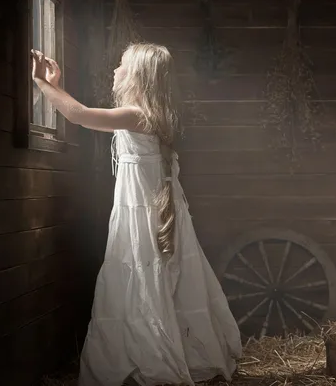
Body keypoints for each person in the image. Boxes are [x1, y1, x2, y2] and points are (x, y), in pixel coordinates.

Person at [30, 44, 242, 386]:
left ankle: (151, 356)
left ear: (139, 76)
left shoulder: (136, 114)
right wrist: (54, 84)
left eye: (121, 65)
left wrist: (42, 82)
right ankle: (152, 352)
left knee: (142, 275)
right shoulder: (153, 114)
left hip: (144, 211)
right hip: (151, 207)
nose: (115, 70)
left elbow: (79, 115)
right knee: (151, 276)